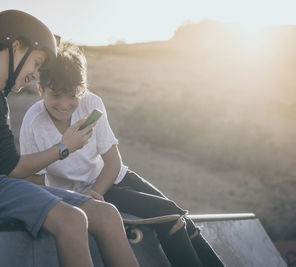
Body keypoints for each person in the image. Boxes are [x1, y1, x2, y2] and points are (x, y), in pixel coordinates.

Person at [0, 10, 138, 267]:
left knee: (106, 215)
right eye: (36, 63)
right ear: (16, 47)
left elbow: (8, 170)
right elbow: (11, 168)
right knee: (72, 220)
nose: (34, 75)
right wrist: (64, 147)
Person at [19, 42, 225, 267]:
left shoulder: (91, 103)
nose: (65, 104)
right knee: (169, 217)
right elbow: (35, 182)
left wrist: (96, 191)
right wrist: (84, 199)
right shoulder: (33, 122)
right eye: (56, 95)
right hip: (80, 194)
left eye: (72, 96)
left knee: (181, 218)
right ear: (41, 89)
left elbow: (113, 162)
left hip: (110, 179)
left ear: (82, 89)